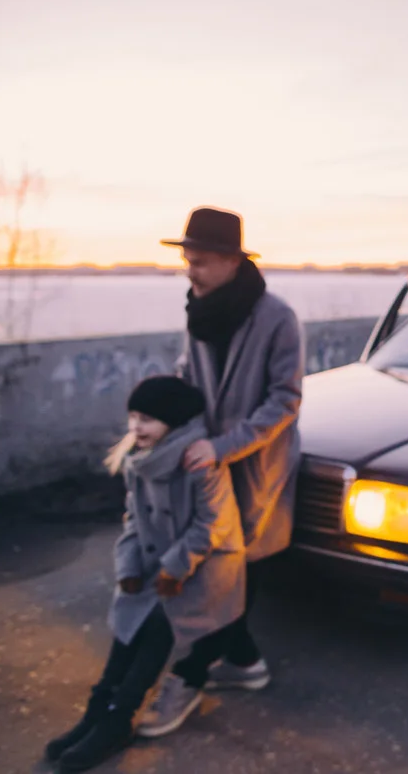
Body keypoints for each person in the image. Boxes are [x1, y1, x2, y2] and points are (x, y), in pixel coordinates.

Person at [141, 206, 305, 734]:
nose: (191, 271)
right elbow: (189, 377)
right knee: (221, 570)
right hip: (207, 464)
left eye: (202, 261)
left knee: (233, 571)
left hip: (256, 469)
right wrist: (163, 424)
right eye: (187, 260)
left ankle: (188, 677)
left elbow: (285, 400)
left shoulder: (278, 317)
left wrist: (223, 446)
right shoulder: (200, 310)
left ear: (233, 261)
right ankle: (245, 663)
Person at [44, 376, 245, 772]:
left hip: (206, 565)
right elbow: (133, 521)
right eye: (134, 417)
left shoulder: (199, 463)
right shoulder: (138, 460)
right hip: (158, 562)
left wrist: (175, 568)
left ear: (173, 422)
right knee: (130, 619)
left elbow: (212, 525)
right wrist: (130, 566)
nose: (137, 426)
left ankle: (119, 717)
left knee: (157, 622)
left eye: (148, 419)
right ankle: (98, 711)